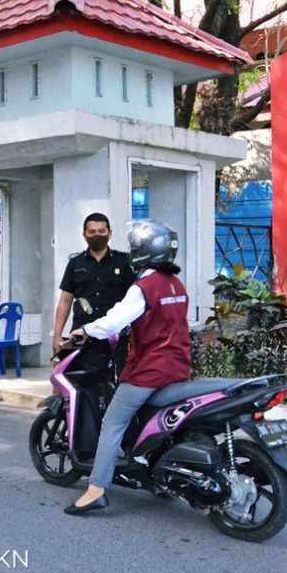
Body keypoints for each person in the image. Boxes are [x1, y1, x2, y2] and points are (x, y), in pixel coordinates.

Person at [63, 219, 191, 516]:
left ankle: (96, 489)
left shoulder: (144, 286)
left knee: (113, 422)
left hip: (149, 370)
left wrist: (86, 330)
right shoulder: (175, 283)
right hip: (178, 365)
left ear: (143, 251)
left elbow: (113, 321)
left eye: (136, 246)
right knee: (151, 418)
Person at [52, 213, 136, 371]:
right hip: (81, 336)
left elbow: (134, 300)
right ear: (84, 235)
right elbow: (65, 300)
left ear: (109, 233)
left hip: (116, 336)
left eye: (102, 231)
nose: (97, 235)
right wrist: (57, 336)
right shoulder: (75, 263)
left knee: (116, 385)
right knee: (77, 383)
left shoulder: (124, 262)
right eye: (92, 232)